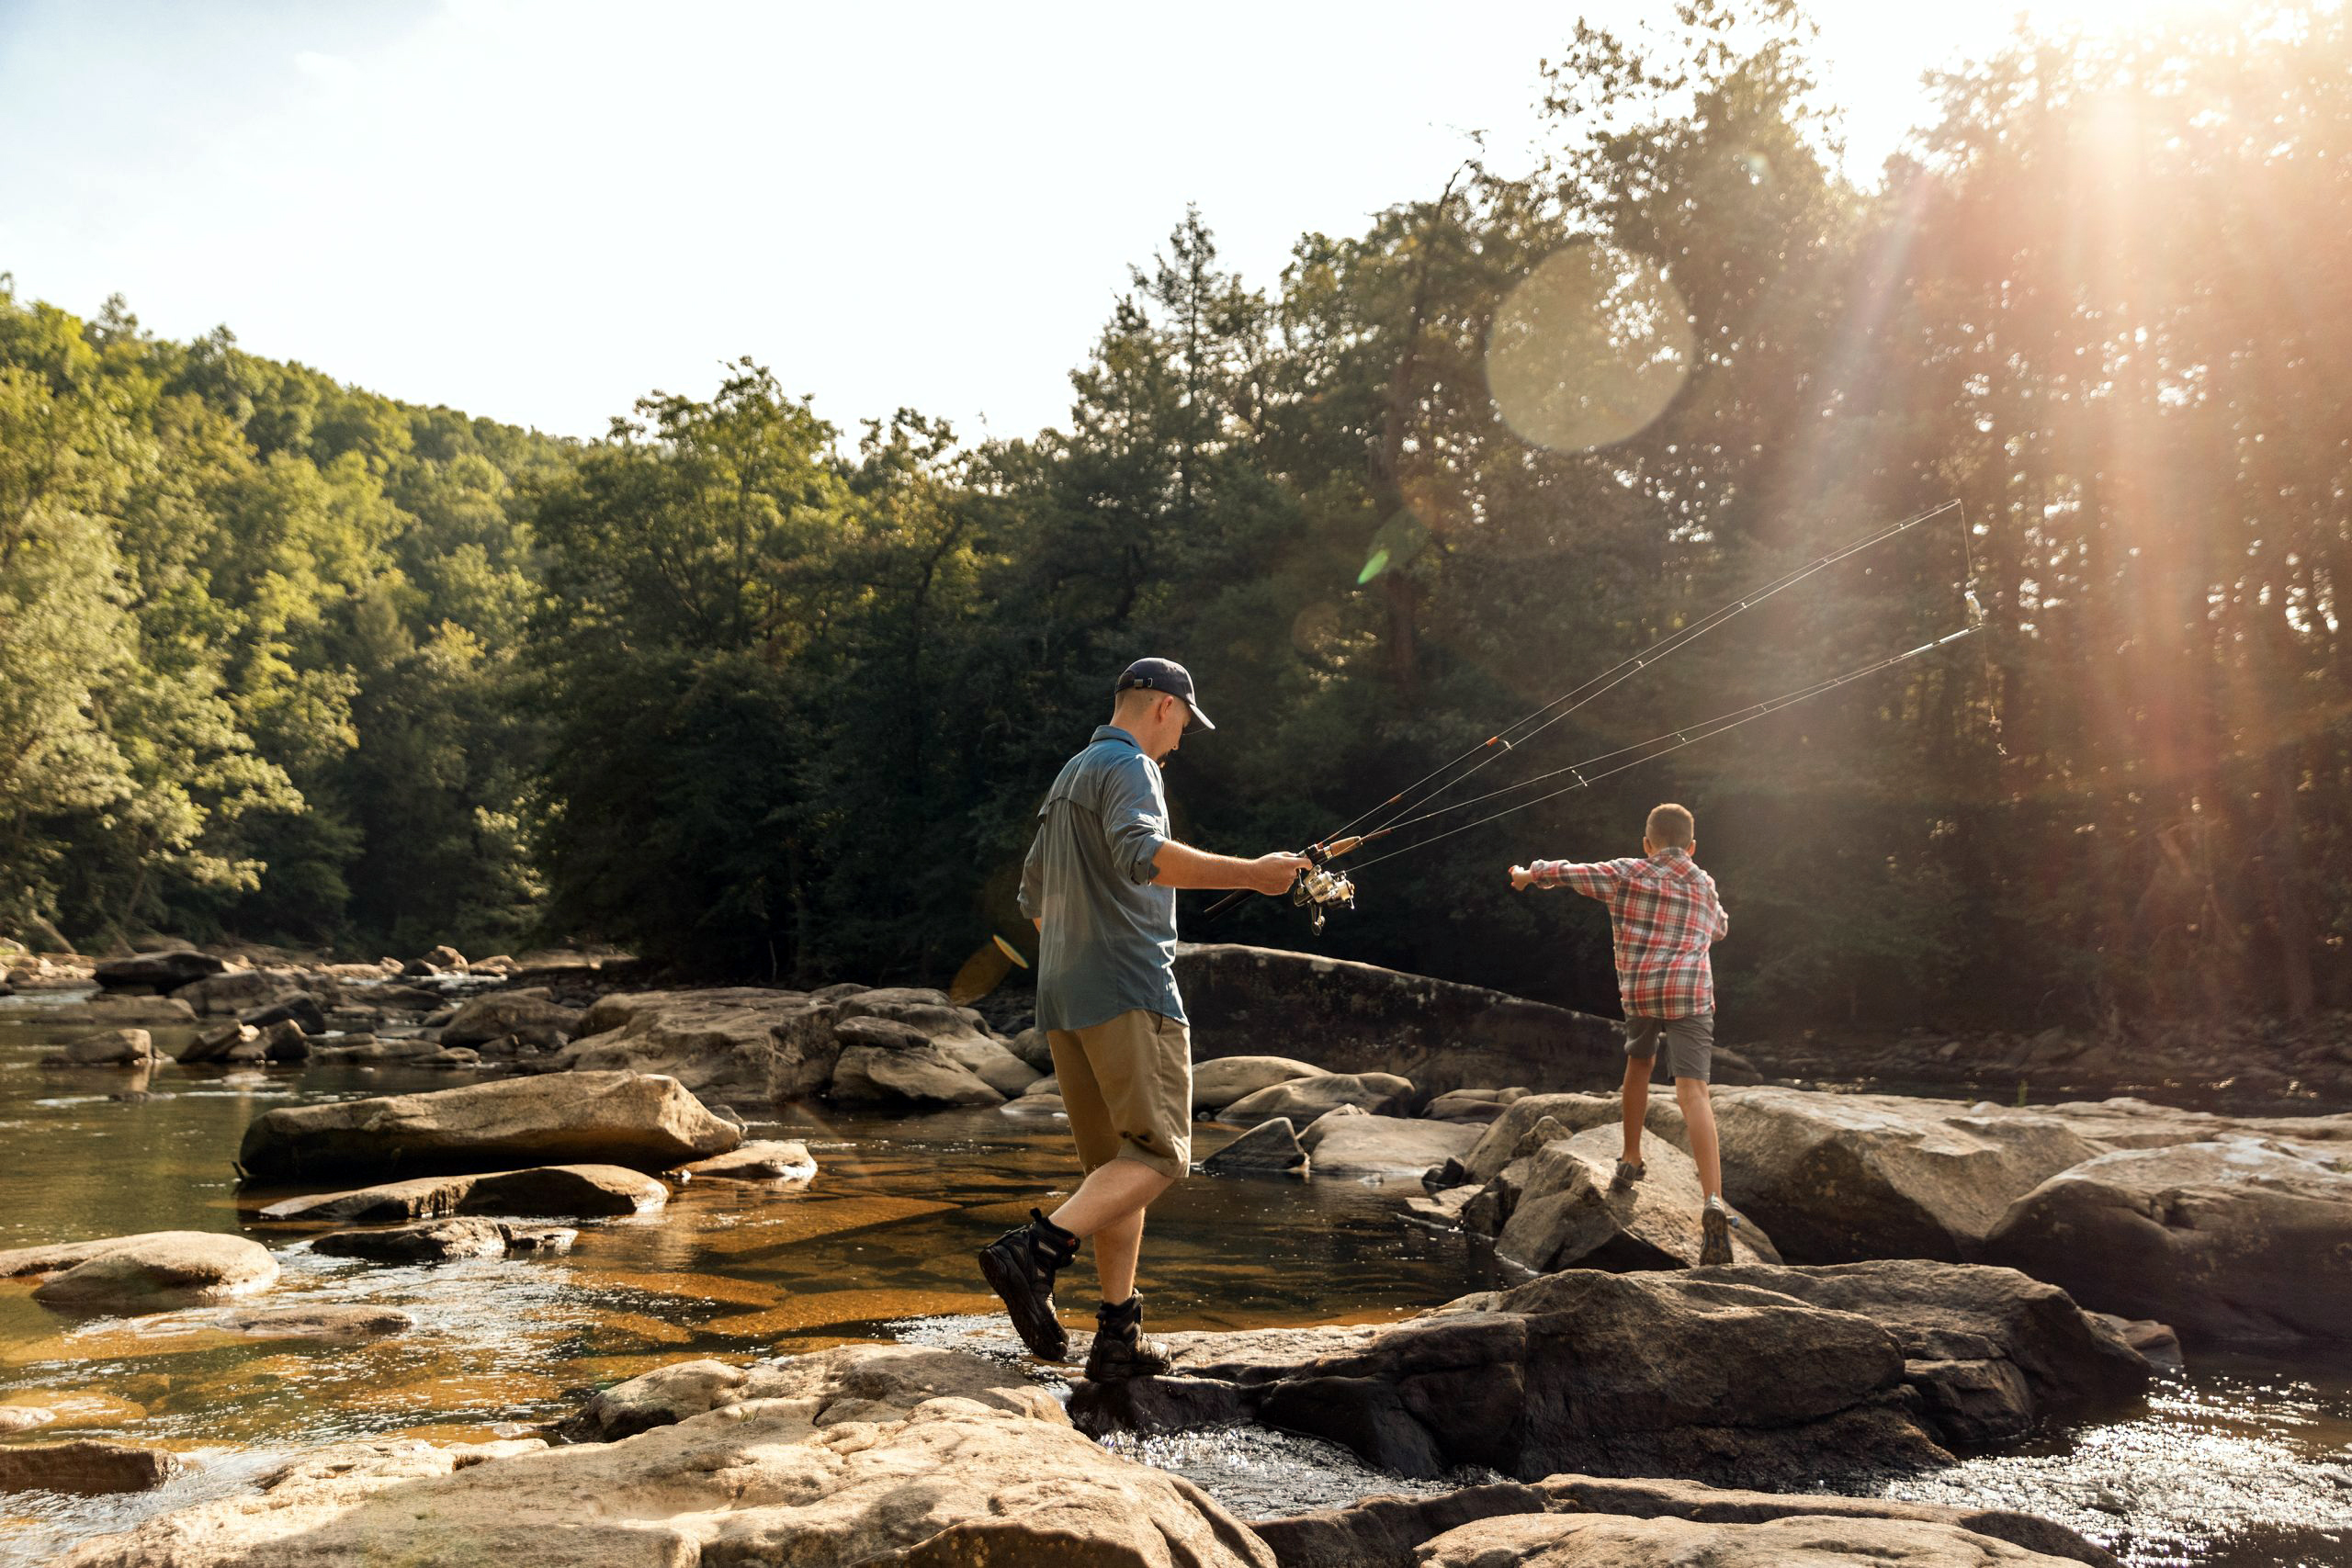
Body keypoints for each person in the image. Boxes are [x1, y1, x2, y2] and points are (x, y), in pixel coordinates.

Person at [980, 657, 1308, 1380]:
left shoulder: (1070, 774)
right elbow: (1142, 855)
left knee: (1114, 1166)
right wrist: (1255, 873)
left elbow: (1033, 896)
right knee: (1160, 1157)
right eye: (1185, 722)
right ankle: (1034, 1250)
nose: (1183, 740)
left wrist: (1077, 948)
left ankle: (1118, 1332)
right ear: (1163, 706)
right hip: (1131, 988)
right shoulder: (1132, 768)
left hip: (1065, 998)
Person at [1509, 801, 1736, 1265]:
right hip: (1691, 994)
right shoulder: (1702, 881)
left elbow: (1569, 872)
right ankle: (1713, 1200)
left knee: (1639, 1065)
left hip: (1642, 993)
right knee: (1694, 1092)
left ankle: (1630, 1159)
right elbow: (1720, 929)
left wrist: (1526, 875)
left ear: (1646, 843)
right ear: (1692, 846)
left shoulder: (1625, 873)